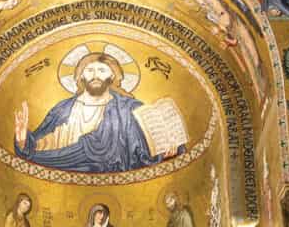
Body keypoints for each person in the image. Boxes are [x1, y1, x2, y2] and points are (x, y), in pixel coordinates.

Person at [14, 52, 181, 173]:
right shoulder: (63, 109)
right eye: (89, 70)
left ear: (112, 76)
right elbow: (41, 145)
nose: (95, 75)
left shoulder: (129, 109)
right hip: (67, 170)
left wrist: (165, 152)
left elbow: (144, 150)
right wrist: (23, 141)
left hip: (121, 179)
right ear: (81, 76)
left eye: (101, 70)